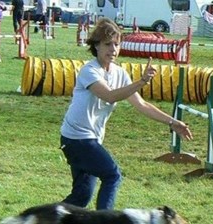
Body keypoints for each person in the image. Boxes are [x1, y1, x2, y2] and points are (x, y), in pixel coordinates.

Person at [59, 18, 193, 210]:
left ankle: (42, 222)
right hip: (77, 138)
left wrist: (172, 122)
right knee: (112, 175)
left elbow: (141, 104)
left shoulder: (119, 73)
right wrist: (141, 82)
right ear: (96, 46)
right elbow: (110, 96)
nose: (113, 49)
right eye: (107, 44)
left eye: (116, 44)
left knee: (81, 198)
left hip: (90, 139)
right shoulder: (89, 71)